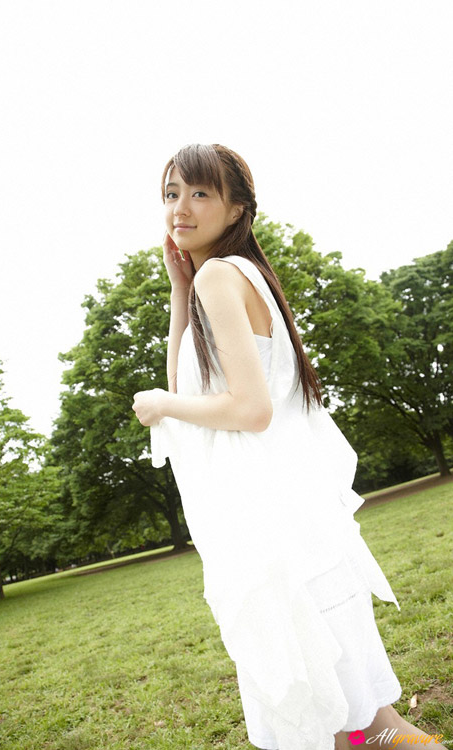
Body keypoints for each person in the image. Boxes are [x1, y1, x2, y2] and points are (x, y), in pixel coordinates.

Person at [131, 144, 446, 750]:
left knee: (309, 674)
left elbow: (248, 409)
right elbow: (193, 388)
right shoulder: (230, 277)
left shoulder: (221, 276)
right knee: (343, 684)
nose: (180, 208)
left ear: (236, 209)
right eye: (171, 194)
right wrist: (178, 292)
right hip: (277, 498)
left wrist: (163, 405)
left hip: (261, 505)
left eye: (200, 193)